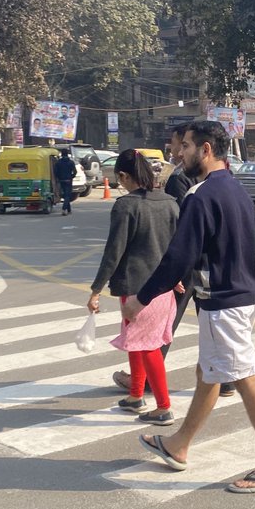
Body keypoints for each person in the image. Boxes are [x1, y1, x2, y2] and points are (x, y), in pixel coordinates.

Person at [125, 120, 255, 493]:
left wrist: (142, 298)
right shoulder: (235, 190)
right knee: (209, 373)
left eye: (184, 146)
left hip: (224, 302)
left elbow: (178, 257)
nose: (178, 153)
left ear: (205, 150)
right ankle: (178, 444)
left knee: (245, 376)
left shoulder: (201, 195)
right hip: (240, 295)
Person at [113, 123, 236, 398]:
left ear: (199, 148)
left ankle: (145, 381)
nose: (177, 150)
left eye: (182, 145)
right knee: (202, 323)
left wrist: (169, 275)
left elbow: (180, 228)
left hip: (186, 266)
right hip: (208, 267)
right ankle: (225, 380)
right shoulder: (225, 181)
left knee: (163, 325)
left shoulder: (183, 181)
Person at [88, 149, 180, 427]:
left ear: (125, 176)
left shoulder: (126, 205)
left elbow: (113, 252)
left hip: (137, 288)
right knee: (138, 341)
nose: (120, 184)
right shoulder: (171, 203)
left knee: (147, 345)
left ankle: (163, 406)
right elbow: (178, 247)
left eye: (120, 179)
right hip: (164, 287)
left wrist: (95, 290)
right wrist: (176, 276)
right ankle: (136, 395)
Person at [55, 148, 78, 215]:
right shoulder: (71, 162)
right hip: (68, 180)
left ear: (61, 154)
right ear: (67, 154)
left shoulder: (58, 162)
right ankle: (64, 209)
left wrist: (59, 178)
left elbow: (55, 172)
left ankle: (69, 210)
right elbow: (75, 172)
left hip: (61, 180)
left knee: (65, 195)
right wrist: (71, 177)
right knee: (67, 195)